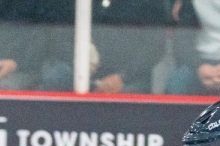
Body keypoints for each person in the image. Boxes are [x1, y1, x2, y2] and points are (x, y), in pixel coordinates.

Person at [37, 0, 171, 94]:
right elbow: (56, 36)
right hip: (79, 72)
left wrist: (123, 77)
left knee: (133, 94)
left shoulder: (149, 3)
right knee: (54, 77)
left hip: (128, 77)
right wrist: (81, 61)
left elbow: (155, 46)